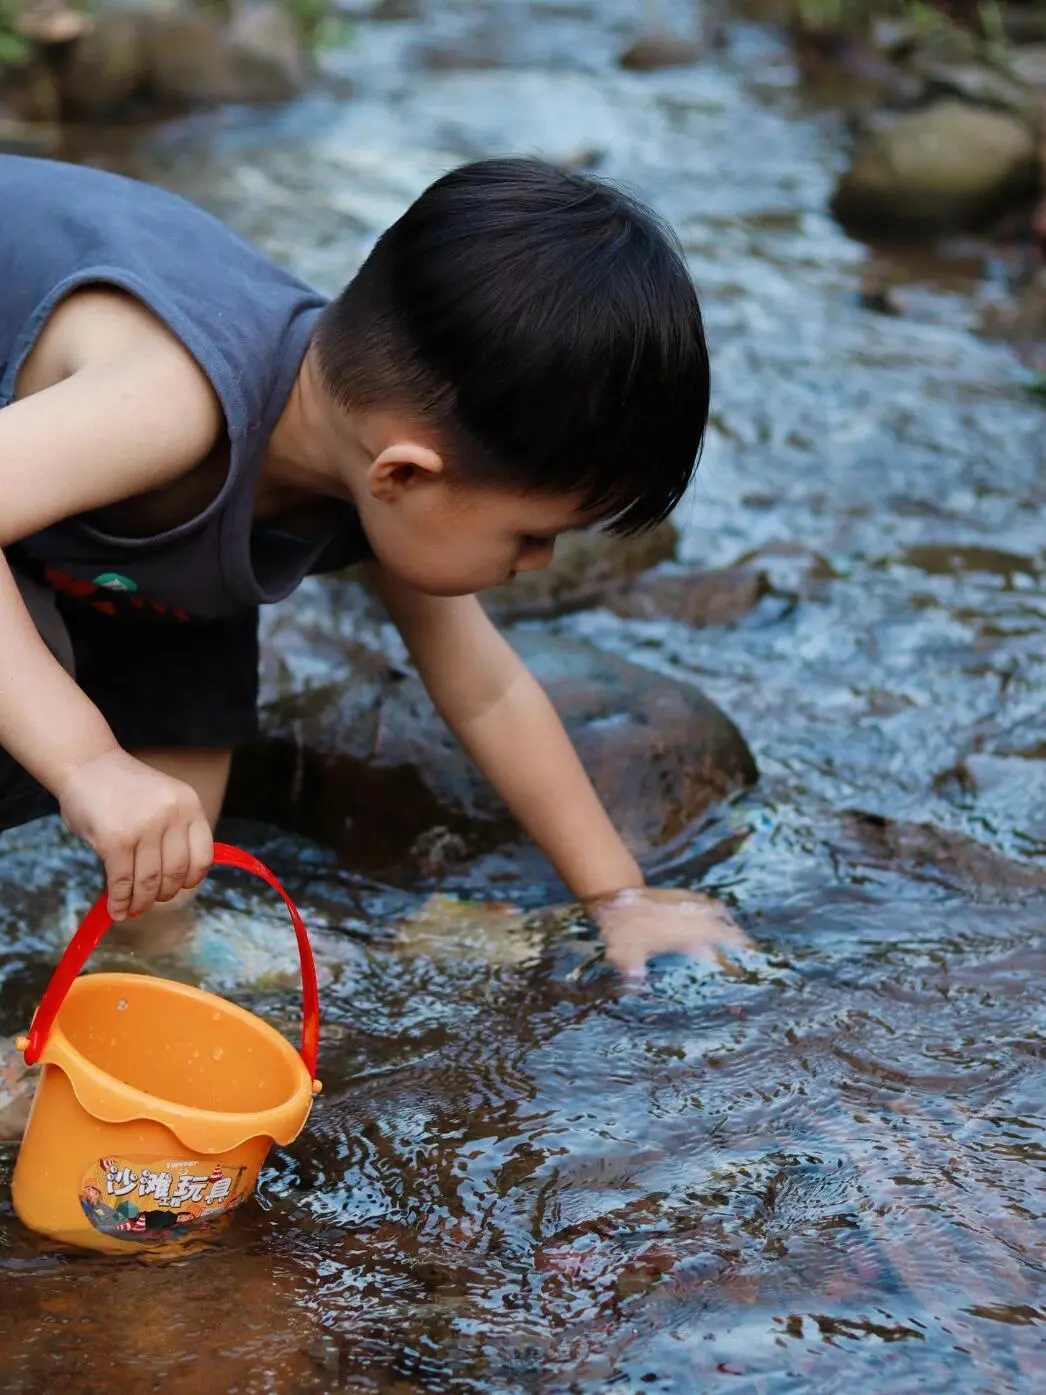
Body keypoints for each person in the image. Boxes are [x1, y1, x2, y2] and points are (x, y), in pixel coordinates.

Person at [0, 152, 747, 975]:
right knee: (42, 705)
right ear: (404, 474)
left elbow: (487, 689)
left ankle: (136, 971)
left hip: (84, 502)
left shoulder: (368, 454)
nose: (538, 564)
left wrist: (620, 898)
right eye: (532, 535)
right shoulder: (171, 402)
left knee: (191, 720)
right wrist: (88, 763)